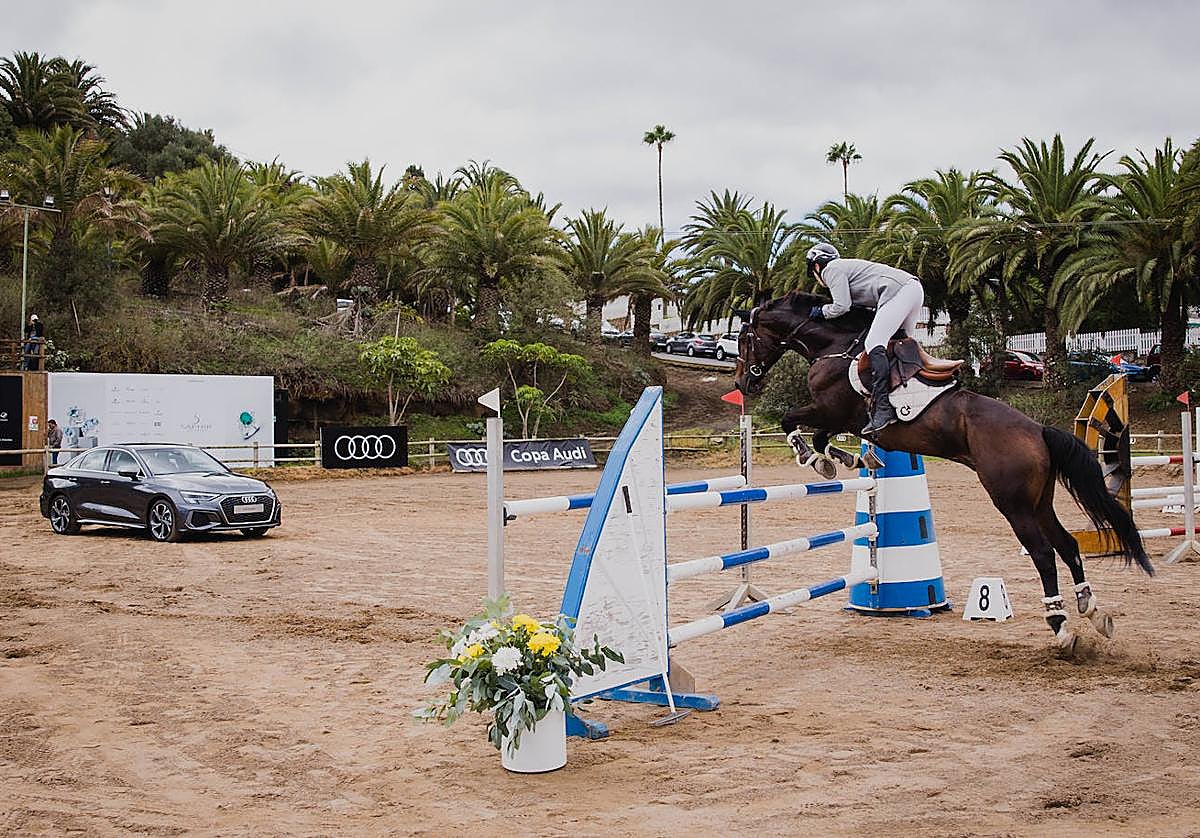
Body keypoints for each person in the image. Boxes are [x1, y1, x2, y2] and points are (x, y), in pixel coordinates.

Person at [804, 243, 925, 435]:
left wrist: (820, 311)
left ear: (816, 266)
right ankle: (917, 395)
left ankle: (883, 409)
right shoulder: (847, 269)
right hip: (913, 289)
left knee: (873, 343)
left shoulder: (831, 269)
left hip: (898, 291)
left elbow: (842, 306)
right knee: (902, 344)